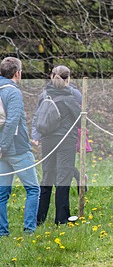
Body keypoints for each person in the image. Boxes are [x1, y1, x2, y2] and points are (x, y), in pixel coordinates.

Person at [31, 65, 82, 226]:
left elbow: (38, 116)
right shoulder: (70, 97)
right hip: (66, 141)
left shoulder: (43, 95)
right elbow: (80, 121)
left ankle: (39, 218)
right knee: (63, 178)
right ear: (68, 79)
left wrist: (36, 135)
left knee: (47, 177)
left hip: (47, 140)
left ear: (51, 76)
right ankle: (61, 218)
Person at [0, 57, 40, 236]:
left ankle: (3, 232)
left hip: (3, 151)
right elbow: (12, 121)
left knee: (2, 194)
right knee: (33, 189)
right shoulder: (13, 92)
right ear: (18, 73)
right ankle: (29, 230)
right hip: (16, 149)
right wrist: (3, 146)